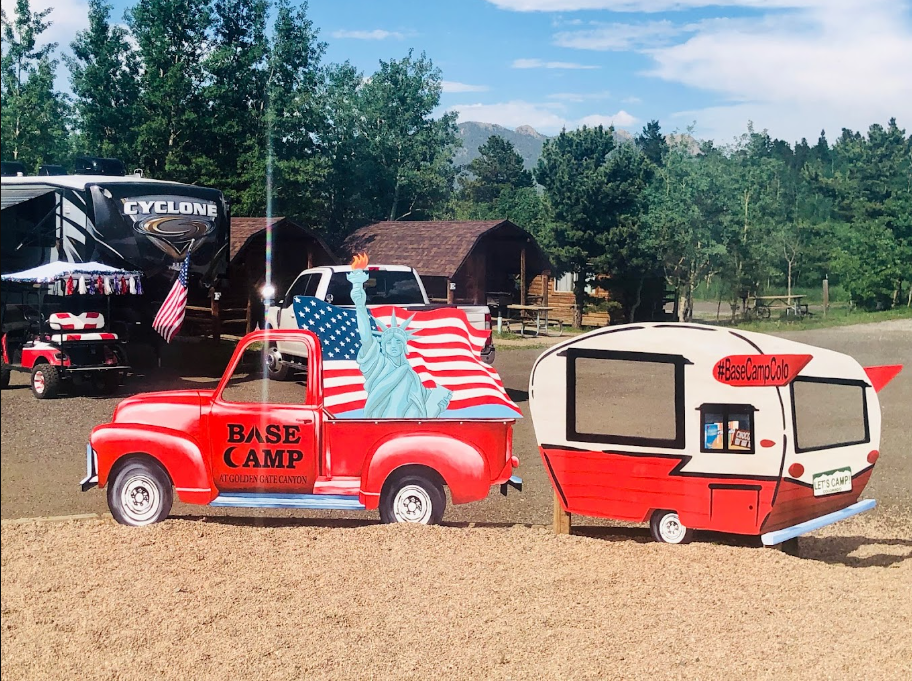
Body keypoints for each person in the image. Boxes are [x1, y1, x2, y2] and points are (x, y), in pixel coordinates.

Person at [347, 268, 451, 418]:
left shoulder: (411, 374)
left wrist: (439, 405)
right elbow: (366, 337)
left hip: (409, 429)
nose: (394, 346)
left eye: (398, 342)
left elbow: (423, 404)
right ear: (382, 346)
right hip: (382, 424)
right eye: (389, 342)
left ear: (404, 346)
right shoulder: (378, 364)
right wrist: (360, 306)